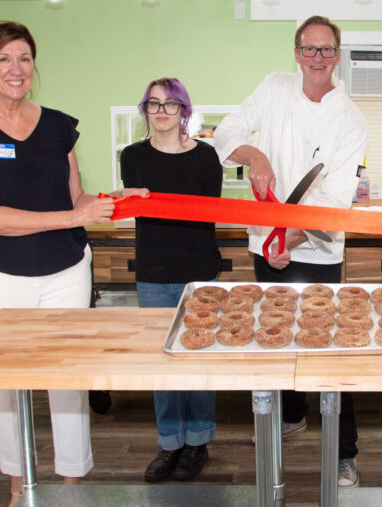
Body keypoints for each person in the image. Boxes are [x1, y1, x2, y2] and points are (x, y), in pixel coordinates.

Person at [0, 21, 148, 505]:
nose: (16, 69)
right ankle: (20, 485)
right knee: (5, 385)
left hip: (65, 268)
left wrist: (117, 200)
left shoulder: (59, 126)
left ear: (34, 67)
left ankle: (72, 485)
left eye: (25, 58)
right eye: (5, 59)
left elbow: (76, 197)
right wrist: (72, 215)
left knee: (69, 378)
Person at [214, 15, 368, 487]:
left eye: (326, 50)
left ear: (337, 55)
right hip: (267, 245)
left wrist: (291, 238)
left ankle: (343, 452)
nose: (317, 58)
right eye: (309, 49)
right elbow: (228, 128)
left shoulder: (351, 117)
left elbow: (336, 196)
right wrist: (254, 155)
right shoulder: (274, 88)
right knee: (275, 332)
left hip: (318, 250)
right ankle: (291, 414)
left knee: (329, 347)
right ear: (297, 53)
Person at [121, 77, 222, 483]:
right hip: (154, 272)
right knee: (161, 361)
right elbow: (137, 208)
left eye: (170, 104)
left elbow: (207, 212)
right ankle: (170, 443)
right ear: (145, 110)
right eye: (154, 104)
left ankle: (197, 443)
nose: (161, 112)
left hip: (199, 271)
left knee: (198, 359)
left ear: (184, 111)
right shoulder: (132, 156)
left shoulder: (206, 158)